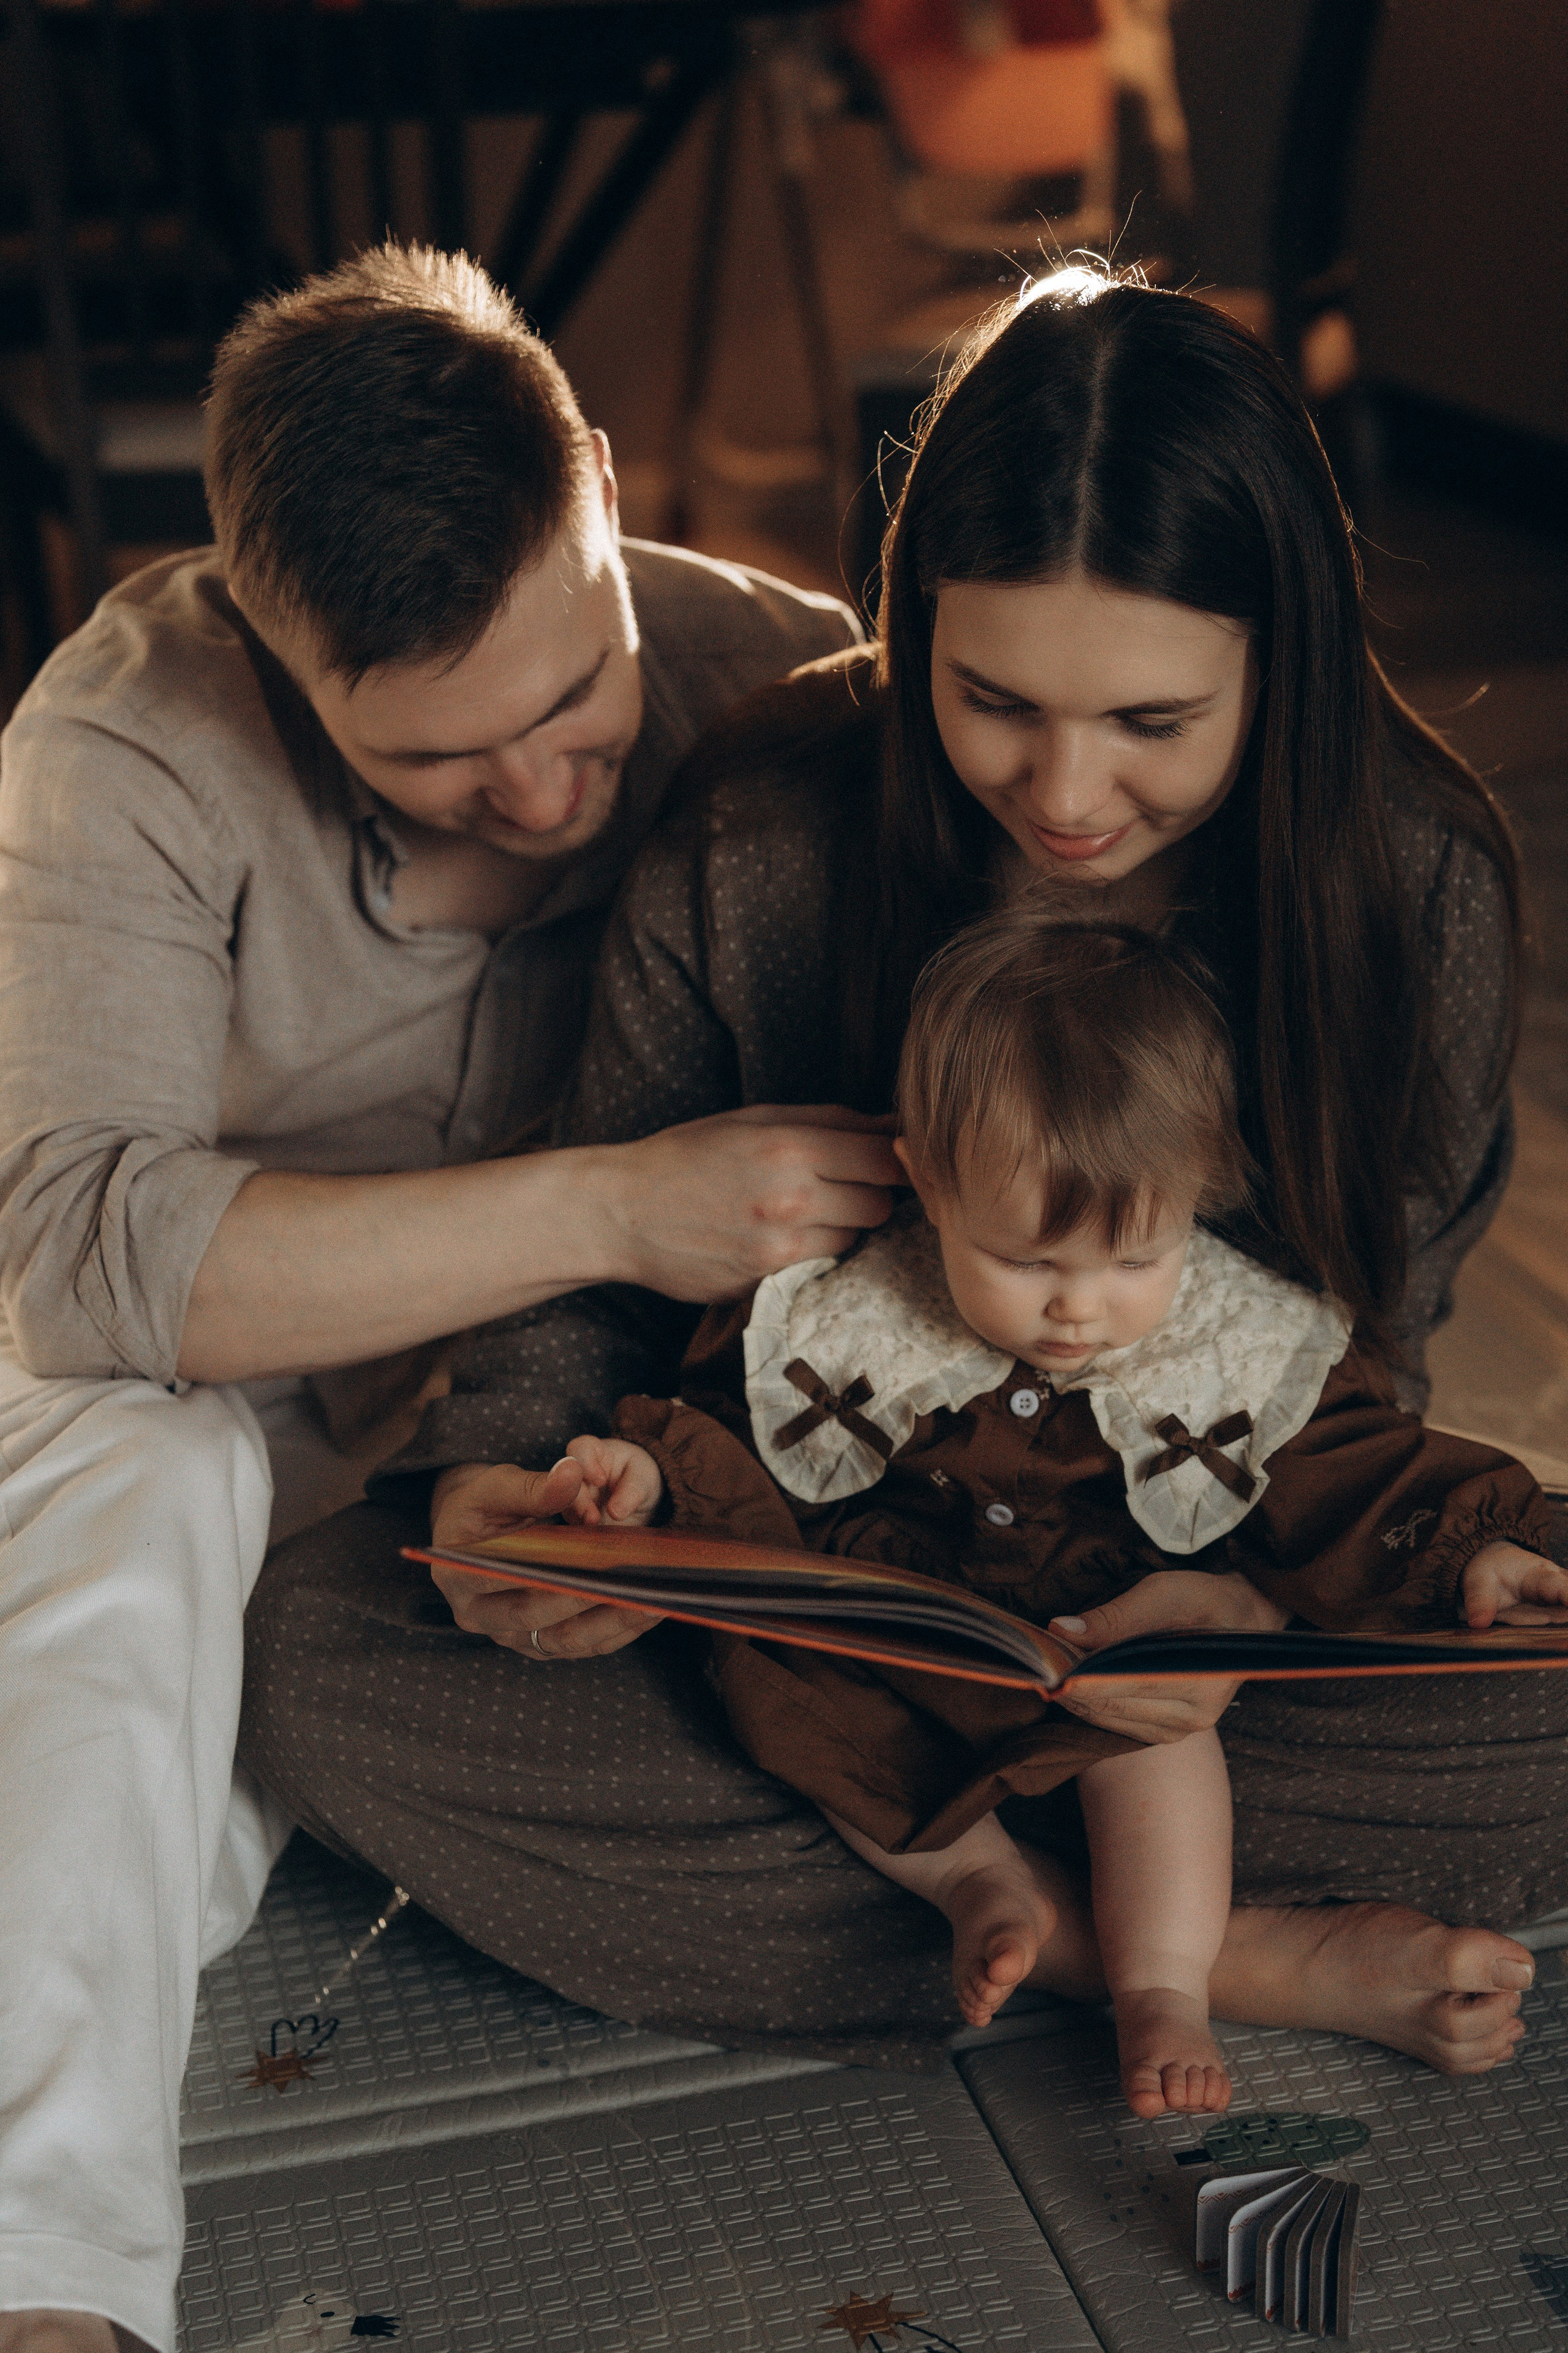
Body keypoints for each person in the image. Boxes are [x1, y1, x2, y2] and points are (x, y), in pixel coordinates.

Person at [243, 265, 1565, 2113]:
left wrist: (1253, 1615)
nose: (1068, 792)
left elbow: (1364, 1367)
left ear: (1286, 661)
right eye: (994, 700)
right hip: (829, 1599)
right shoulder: (771, 831)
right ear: (907, 624)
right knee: (316, 1659)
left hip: (1197, 1612)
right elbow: (599, 1259)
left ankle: (1032, 1913)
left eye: (1156, 726)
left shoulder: (1408, 887)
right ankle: (1166, 1948)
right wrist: (521, 1486)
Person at [0, 242, 888, 2353]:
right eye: (435, 761)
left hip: (502, 1453)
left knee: (162, 1826)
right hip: (171, 1404)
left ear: (594, 476)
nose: (549, 791)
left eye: (573, 695)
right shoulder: (123, 739)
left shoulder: (789, 674)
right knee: (140, 1514)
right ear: (269, 645)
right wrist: (611, 1210)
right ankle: (50, 2297)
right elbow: (85, 1274)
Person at [551, 915, 1559, 2119]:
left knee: (1160, 1748)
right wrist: (649, 1477)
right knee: (792, 1699)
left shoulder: (1235, 1332)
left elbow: (1352, 1460)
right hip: (903, 1628)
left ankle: (1160, 1987)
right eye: (1023, 1260)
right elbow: (731, 1420)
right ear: (926, 1179)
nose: (1075, 1308)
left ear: (1195, 1195)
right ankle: (982, 1886)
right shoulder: (848, 1308)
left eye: (1132, 1258)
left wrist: (1472, 1541)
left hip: (1109, 1648)